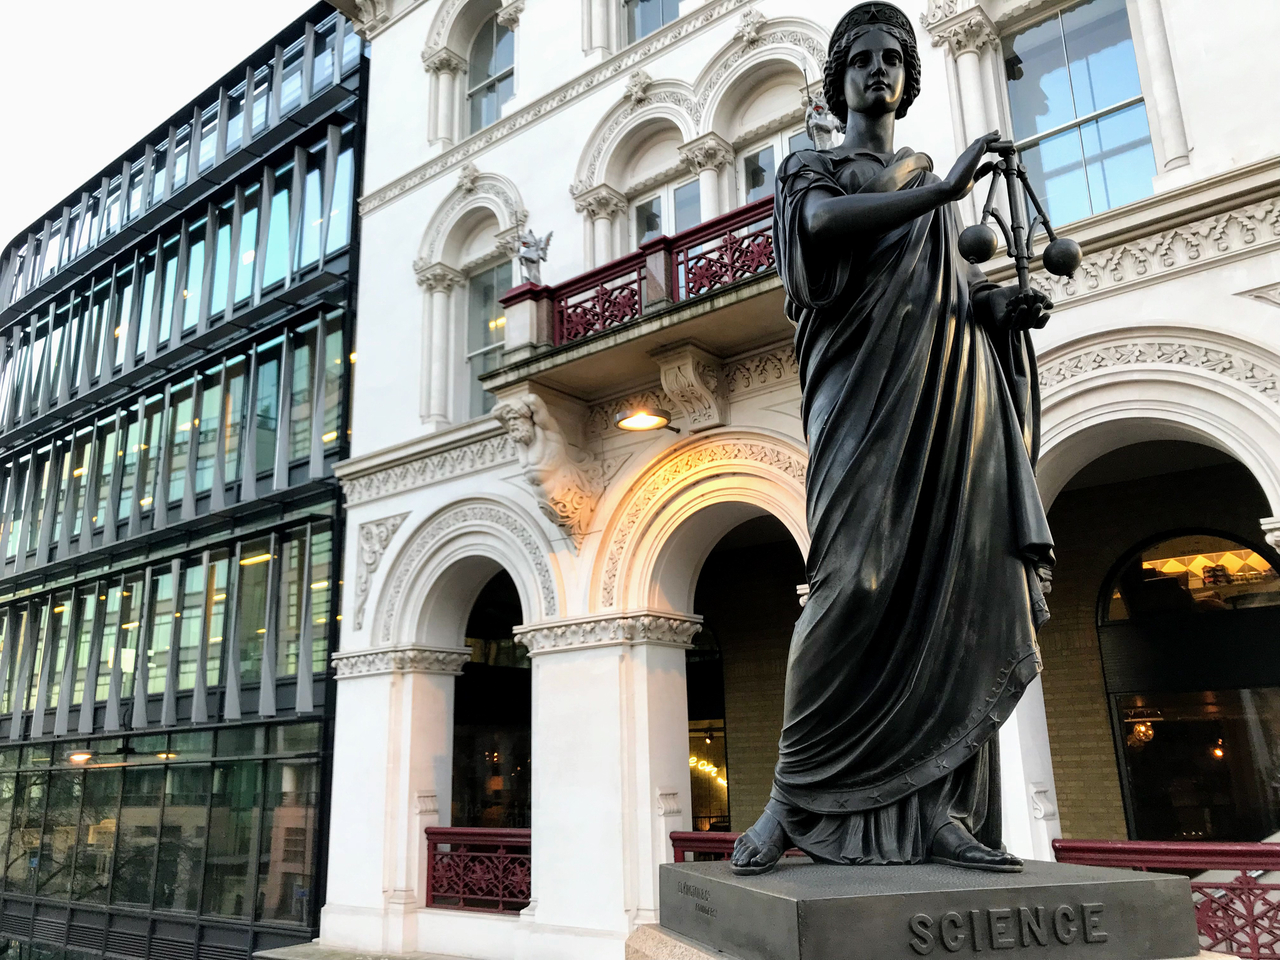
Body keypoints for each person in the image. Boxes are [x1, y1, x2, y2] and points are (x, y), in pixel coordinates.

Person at [730, 1, 1056, 876]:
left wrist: (1001, 309)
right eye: (861, 59)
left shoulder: (923, 181)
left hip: (944, 396)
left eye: (892, 59)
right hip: (858, 394)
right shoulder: (811, 166)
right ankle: (791, 799)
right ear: (838, 79)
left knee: (954, 585)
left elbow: (950, 291)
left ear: (908, 80)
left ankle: (941, 809)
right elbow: (818, 230)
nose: (877, 70)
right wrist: (942, 191)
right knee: (851, 583)